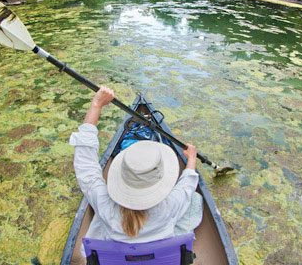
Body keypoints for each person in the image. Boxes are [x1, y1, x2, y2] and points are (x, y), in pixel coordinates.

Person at [69, 86, 202, 254]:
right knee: (194, 199)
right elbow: (187, 185)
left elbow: (85, 165)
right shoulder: (170, 206)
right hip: (160, 253)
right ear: (160, 181)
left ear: (121, 177)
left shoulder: (105, 205)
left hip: (115, 254)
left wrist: (96, 105)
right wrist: (191, 159)